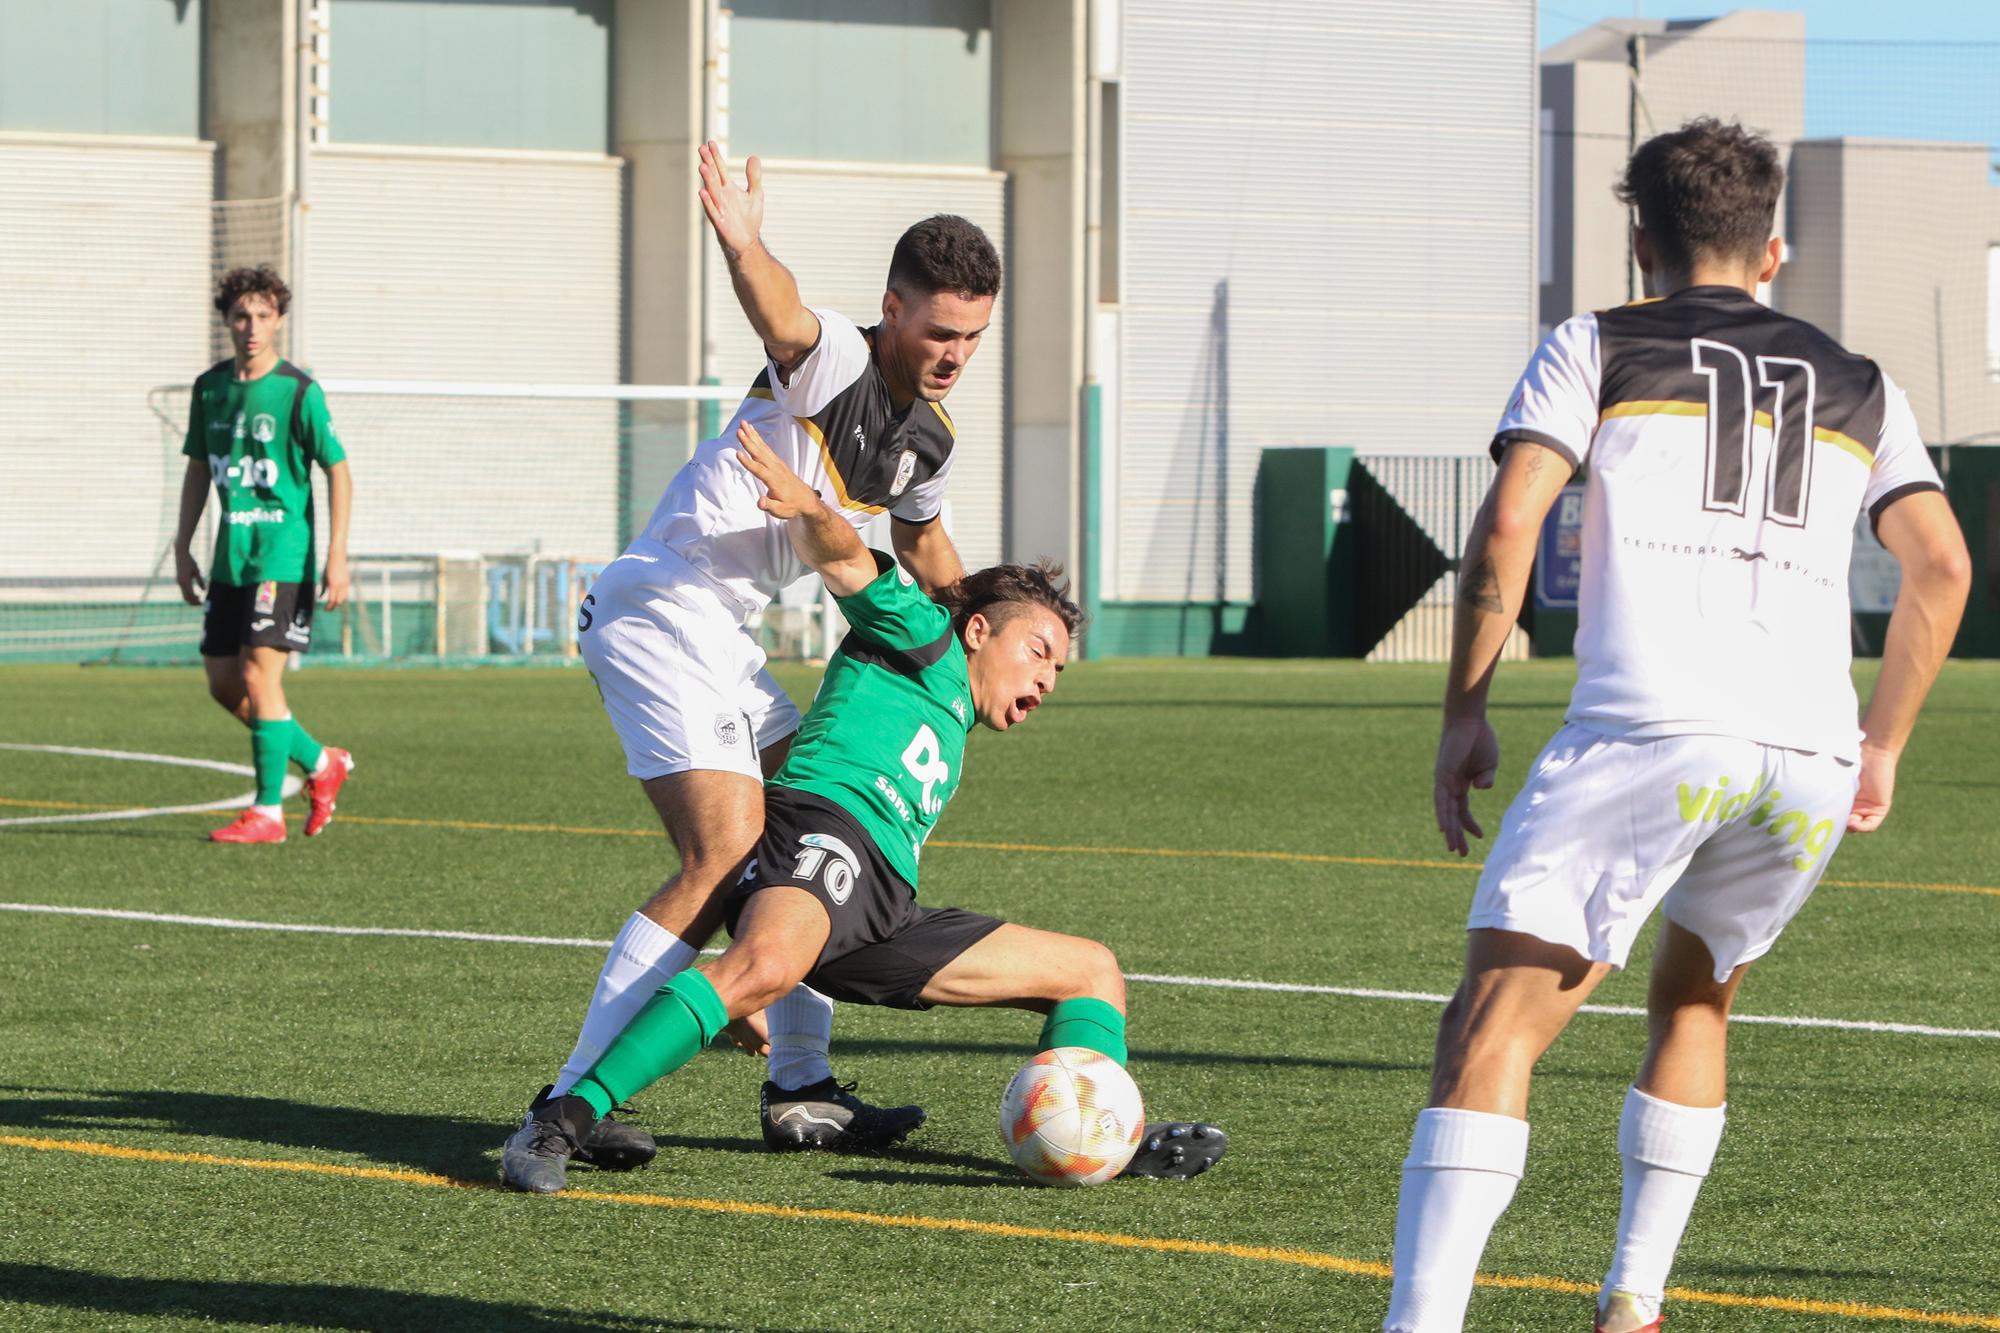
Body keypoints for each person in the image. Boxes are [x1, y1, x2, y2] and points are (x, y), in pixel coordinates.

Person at [1382, 118, 1971, 1333]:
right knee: (1695, 1001)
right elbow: (1942, 566)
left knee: (1489, 1024)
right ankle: (1633, 1302)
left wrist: (1464, 713)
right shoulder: (1862, 381)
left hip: (1650, 730)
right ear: (1773, 251)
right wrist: (1882, 742)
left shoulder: (1592, 343)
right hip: (1801, 753)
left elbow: (1506, 525)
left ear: (1636, 239)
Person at [500, 422, 1226, 1193]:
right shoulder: (924, 636)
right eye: (1038, 651)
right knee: (766, 963)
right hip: (823, 834)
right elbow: (848, 557)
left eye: (1058, 670)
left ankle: (1105, 1138)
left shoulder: (955, 713)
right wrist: (810, 505)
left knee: (1091, 970)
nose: (1046, 679)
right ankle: (563, 1117)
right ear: (979, 630)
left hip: (884, 904)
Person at [508, 143, 1003, 1168]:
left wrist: (983, 636)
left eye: (974, 336)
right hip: (660, 604)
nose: (955, 351)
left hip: (719, 635)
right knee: (723, 851)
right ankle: (565, 1101)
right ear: (894, 308)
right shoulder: (837, 366)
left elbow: (925, 543)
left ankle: (799, 1088)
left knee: (819, 832)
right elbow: (780, 309)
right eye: (941, 329)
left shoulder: (929, 438)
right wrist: (742, 241)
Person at [172, 265, 355, 845]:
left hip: (283, 553)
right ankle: (320, 762)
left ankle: (267, 813)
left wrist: (337, 554)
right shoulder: (210, 388)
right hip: (232, 558)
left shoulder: (298, 390)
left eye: (263, 316)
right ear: (226, 320)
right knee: (225, 685)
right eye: (241, 315)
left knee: (259, 674)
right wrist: (182, 546)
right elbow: (200, 467)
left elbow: (338, 468)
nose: (251, 326)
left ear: (279, 320)